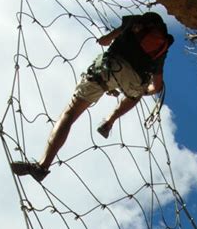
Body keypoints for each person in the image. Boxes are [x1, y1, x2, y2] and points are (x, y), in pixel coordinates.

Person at [11, 12, 174, 182]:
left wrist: (106, 38)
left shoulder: (135, 22)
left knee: (69, 114)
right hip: (134, 81)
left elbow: (105, 40)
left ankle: (42, 166)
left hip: (108, 67)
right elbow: (157, 86)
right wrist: (142, 91)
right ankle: (109, 121)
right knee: (135, 94)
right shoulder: (161, 48)